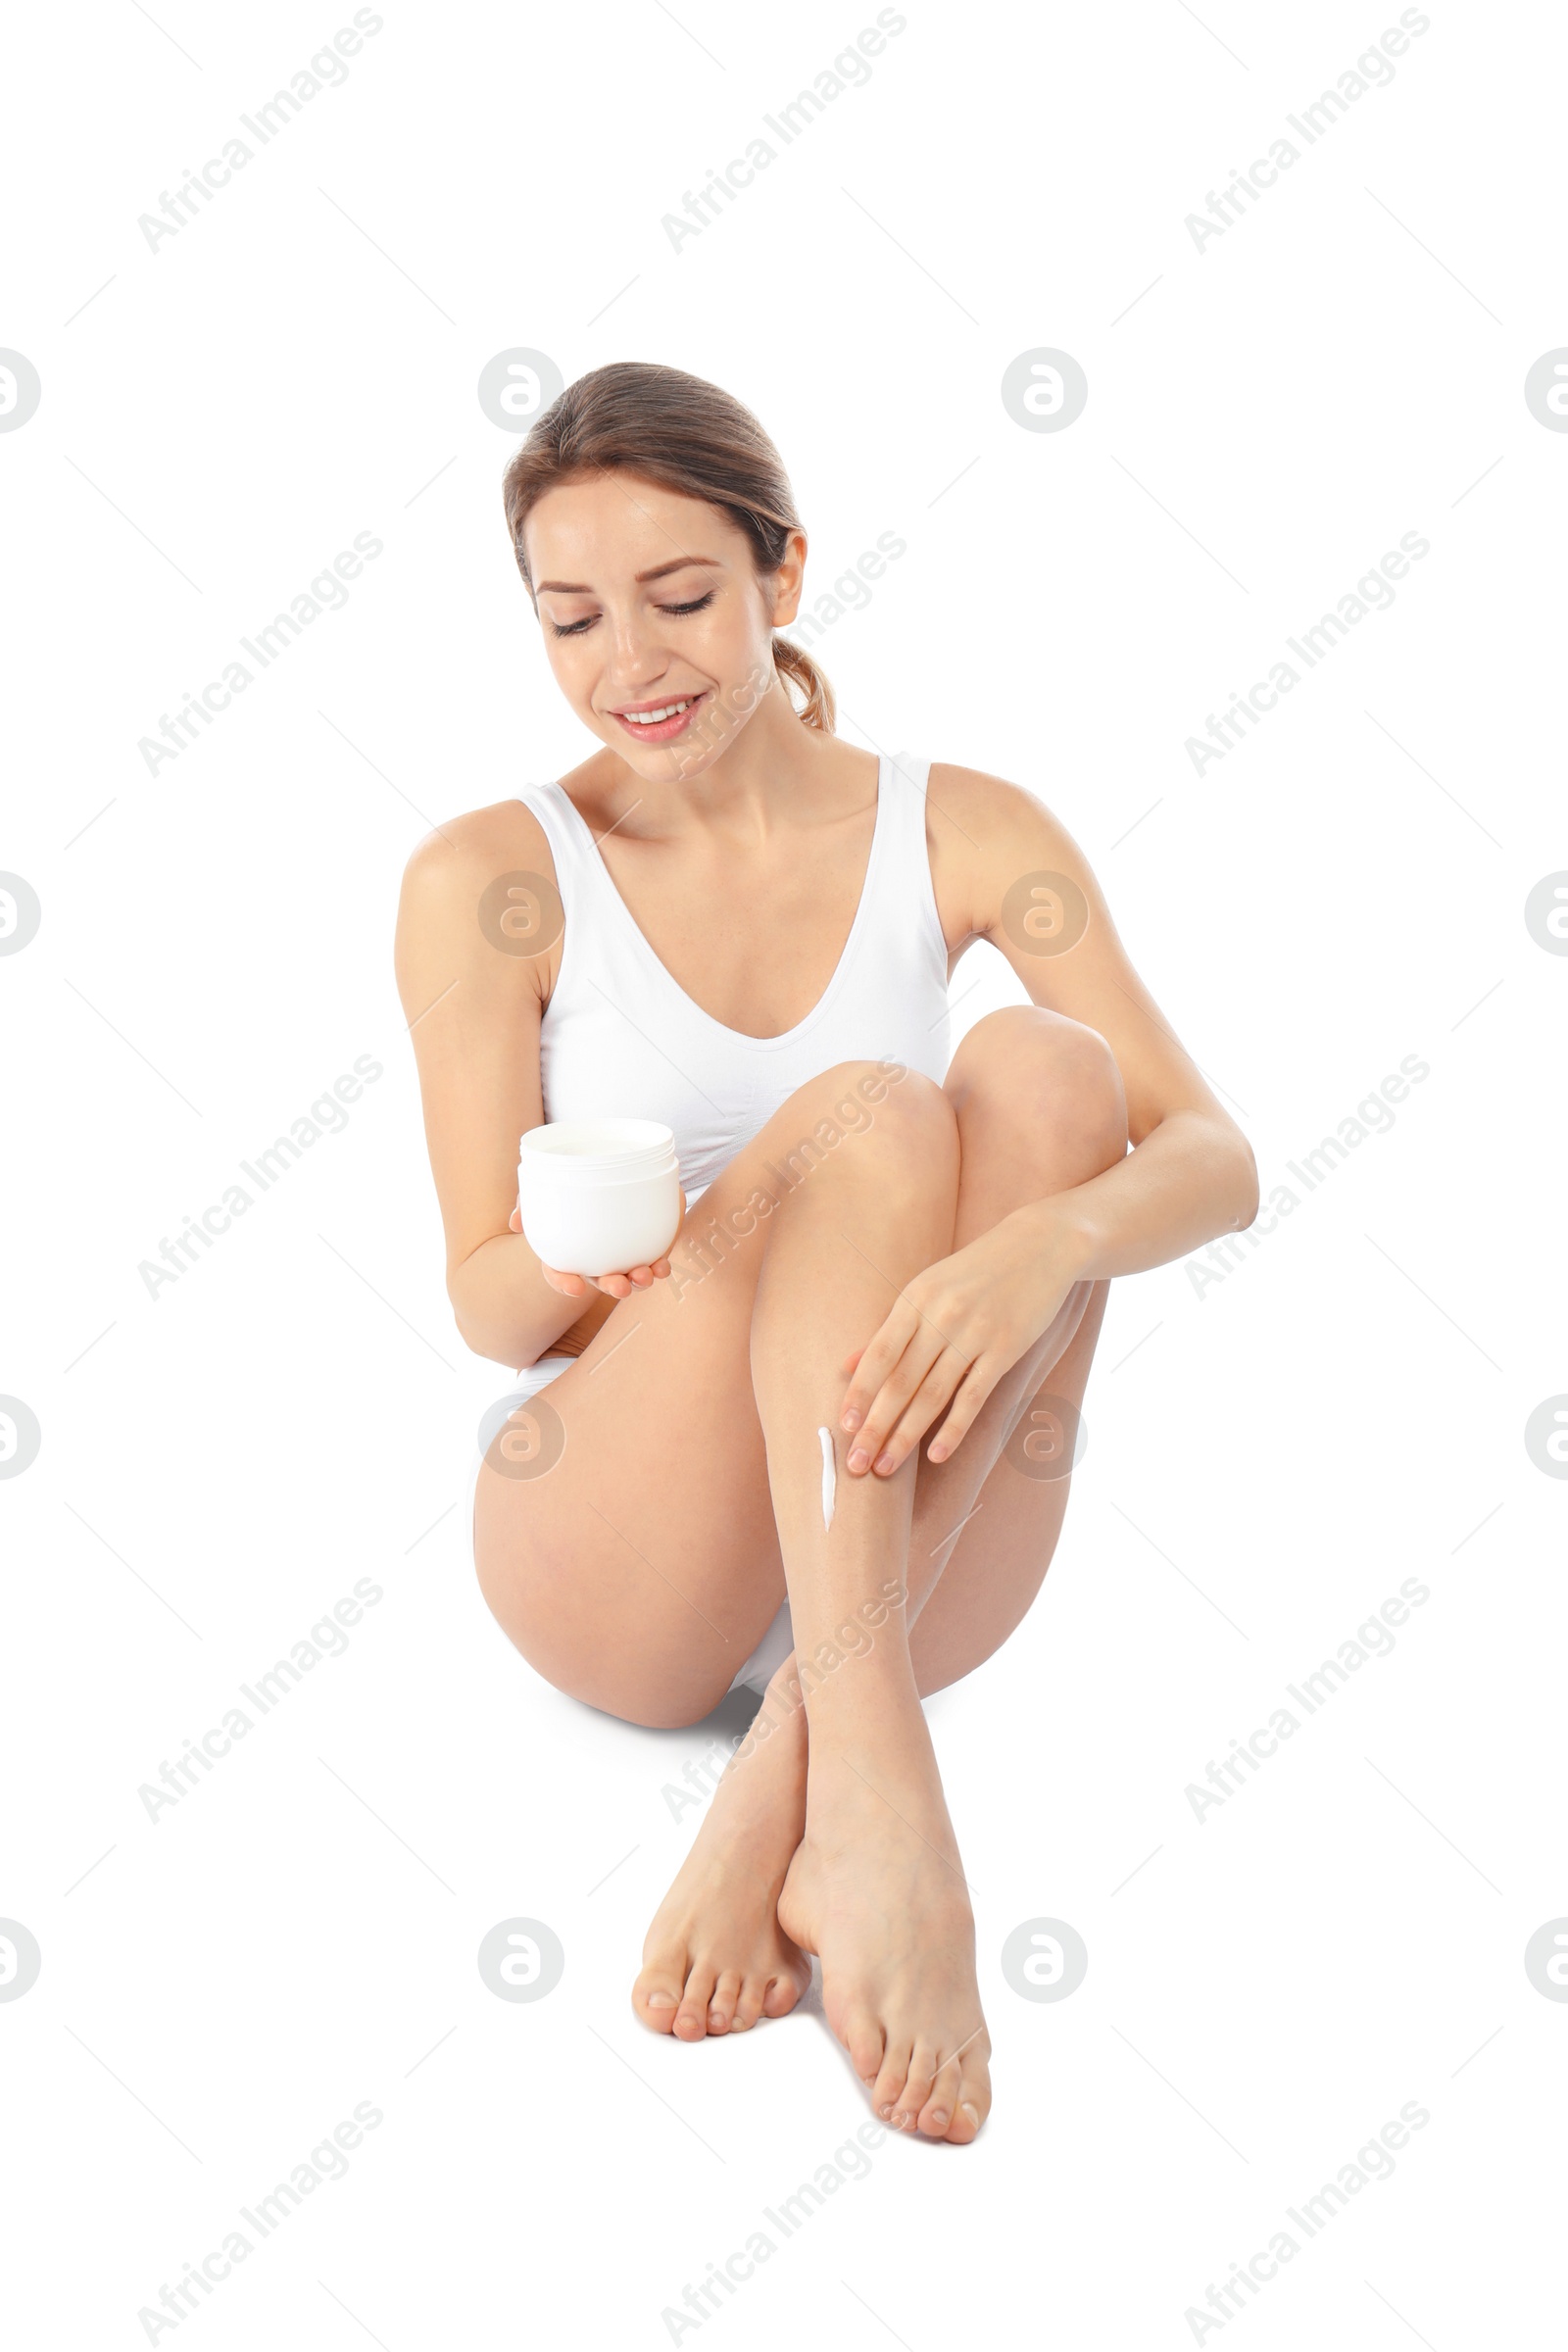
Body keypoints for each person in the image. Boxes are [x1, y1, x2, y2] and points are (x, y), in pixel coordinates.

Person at [394, 362, 1257, 2144]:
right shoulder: (495, 872)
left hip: (910, 1547)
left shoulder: (966, 825)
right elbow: (486, 1296)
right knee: (871, 1111)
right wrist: (611, 1275)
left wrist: (1047, 1249)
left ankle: (798, 1764)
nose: (629, 665)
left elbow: (1216, 1153)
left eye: (683, 597)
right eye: (571, 620)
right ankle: (884, 1819)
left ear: (784, 574)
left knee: (1046, 1069)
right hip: (620, 1551)